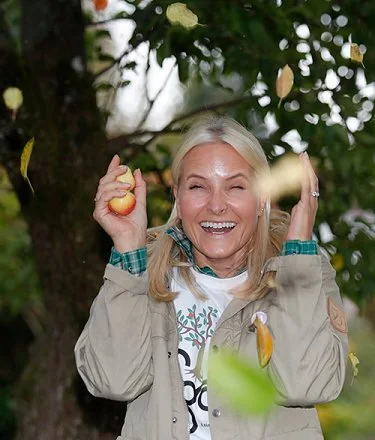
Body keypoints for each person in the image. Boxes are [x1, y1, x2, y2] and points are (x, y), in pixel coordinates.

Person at [75, 115, 349, 440]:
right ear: (177, 195)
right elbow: (113, 380)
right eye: (198, 186)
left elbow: (307, 384)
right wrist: (126, 247)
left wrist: (299, 247)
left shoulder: (302, 268)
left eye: (235, 186)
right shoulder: (141, 271)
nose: (216, 205)